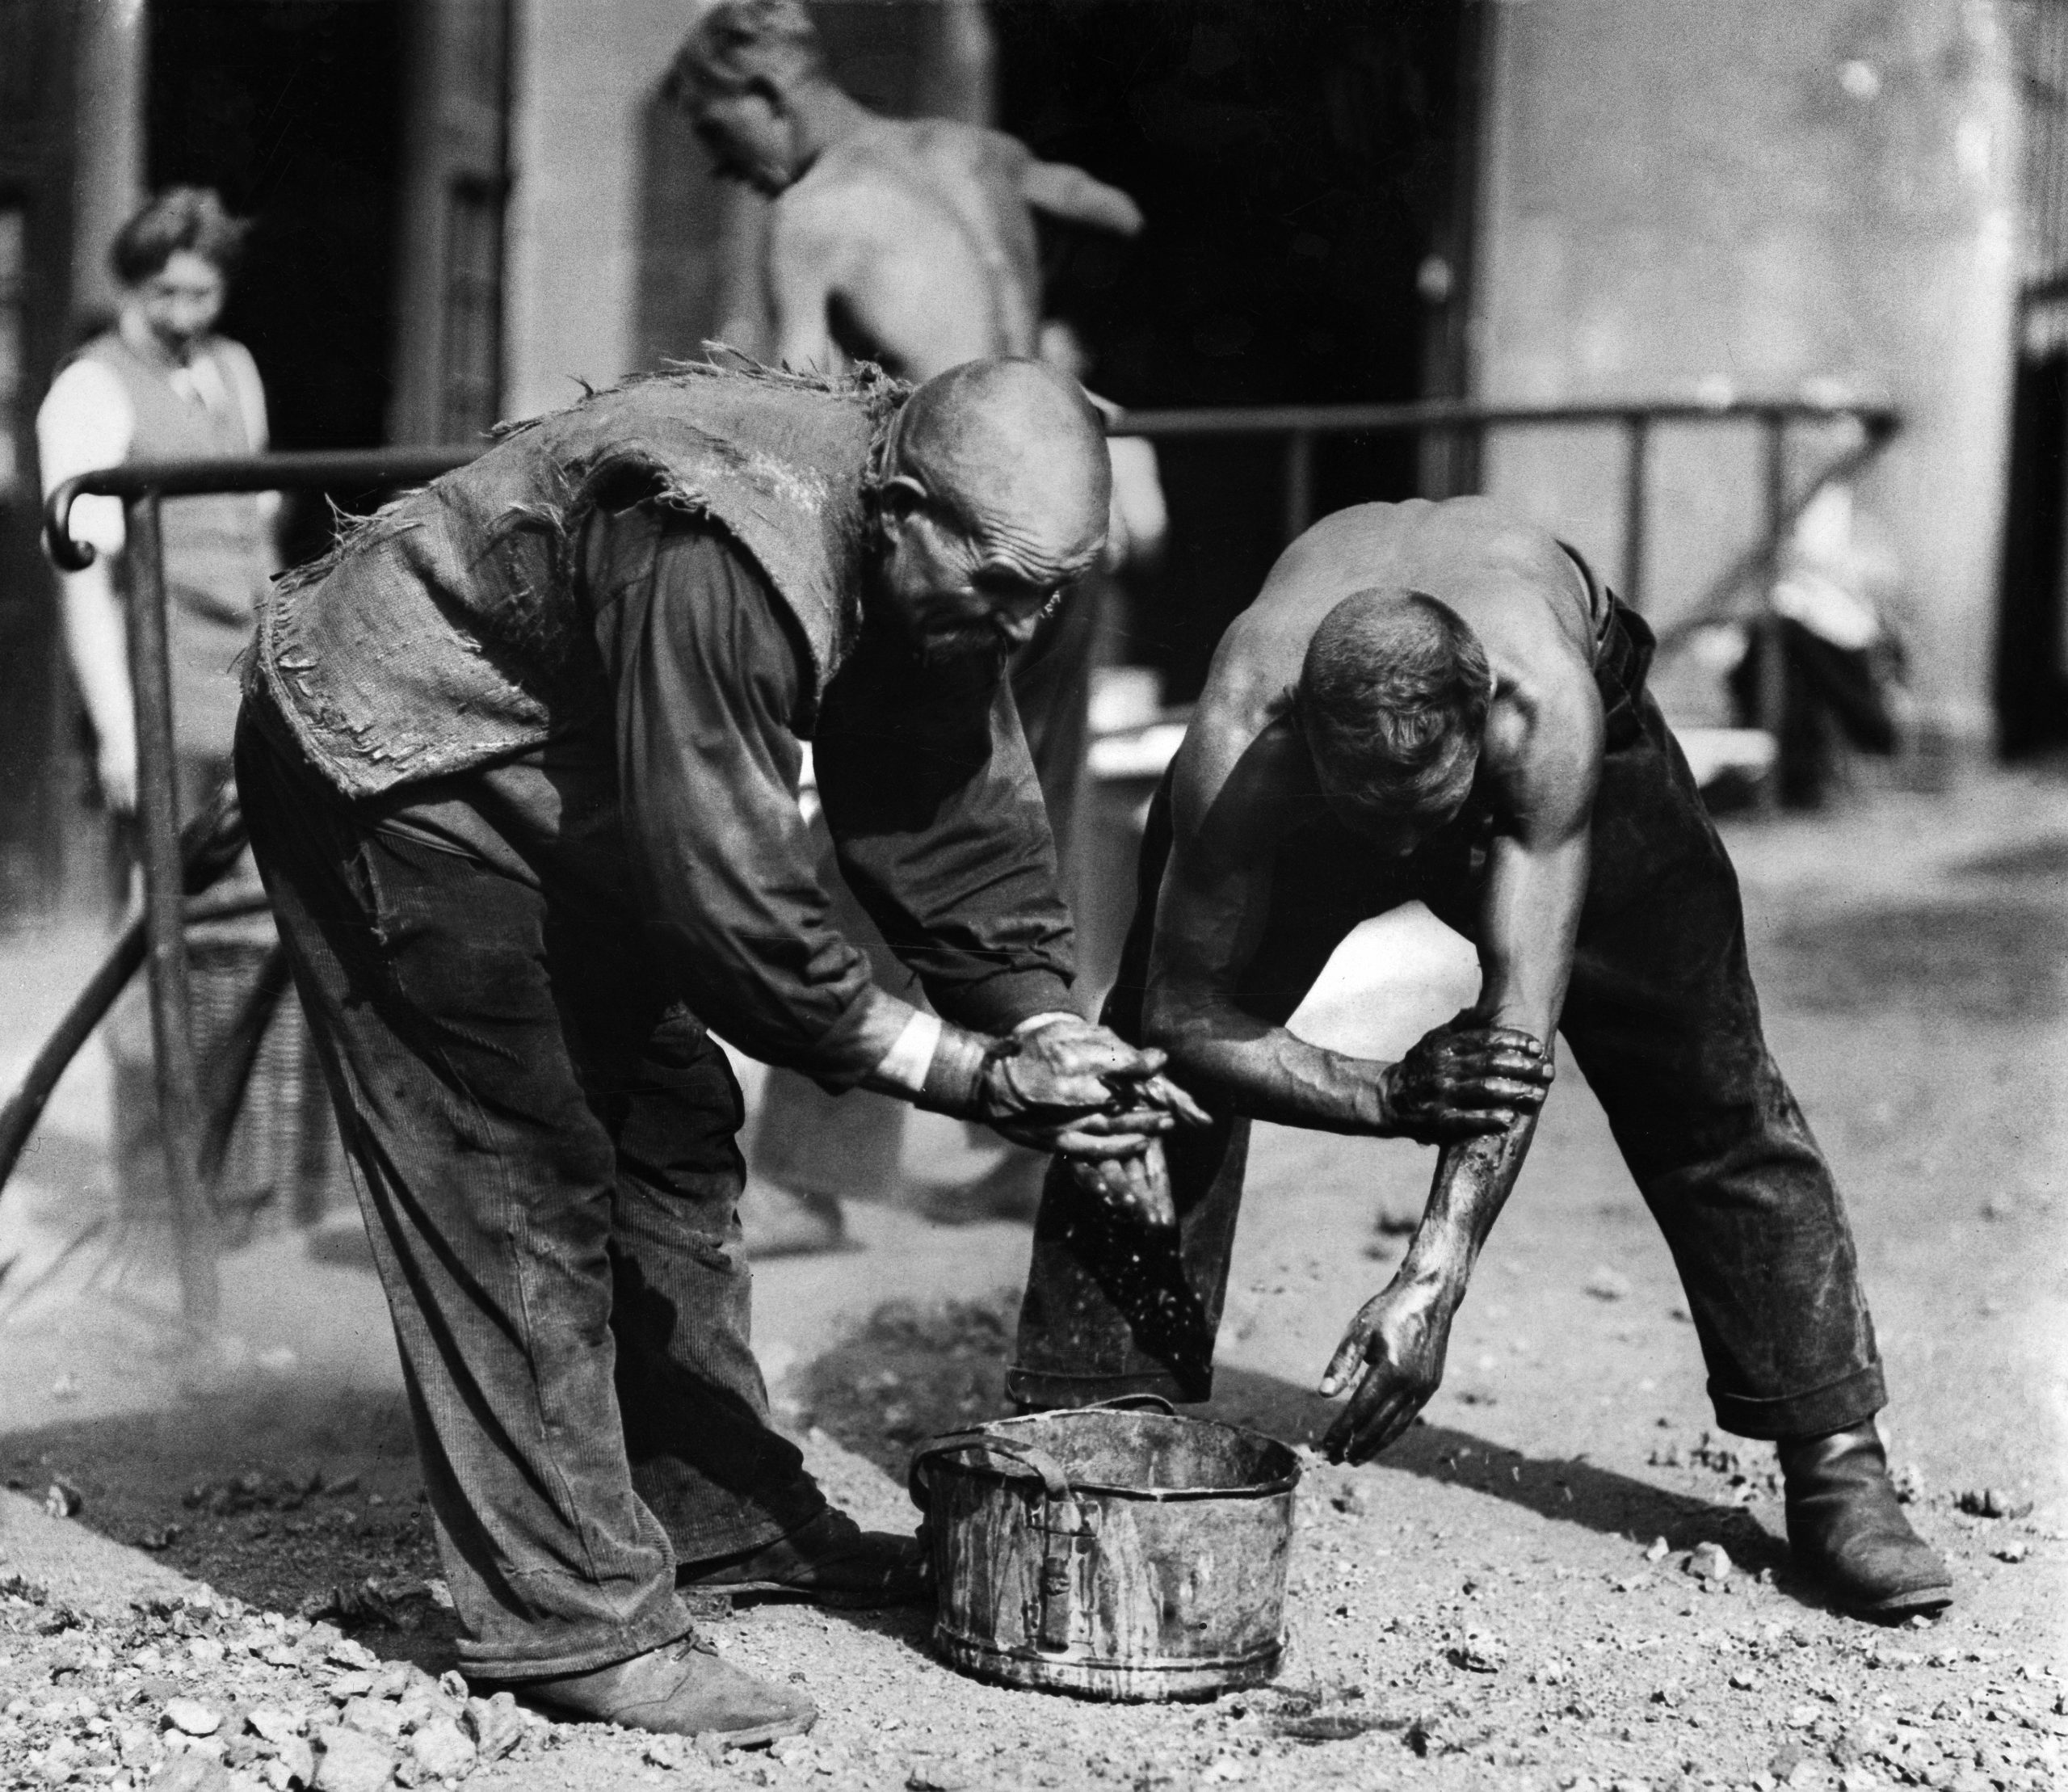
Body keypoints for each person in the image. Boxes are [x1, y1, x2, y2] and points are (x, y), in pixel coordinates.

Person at [236, 353, 1204, 1740]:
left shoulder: (944, 573)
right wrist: (970, 1075)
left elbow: (942, 806)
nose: (1031, 620)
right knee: (523, 1159)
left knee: (675, 1125)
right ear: (904, 508)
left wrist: (1041, 1016)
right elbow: (731, 906)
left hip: (559, 760)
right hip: (400, 754)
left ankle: (712, 1514)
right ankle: (567, 1617)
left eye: (1059, 585)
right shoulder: (727, 549)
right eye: (1003, 583)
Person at [1009, 495, 1953, 1621]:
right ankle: (1098, 1403)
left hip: (1556, 702)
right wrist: (1387, 1091)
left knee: (1703, 1073)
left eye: (1430, 818)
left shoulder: (1543, 715)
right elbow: (1180, 1012)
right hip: (1346, 766)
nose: (1407, 857)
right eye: (1377, 822)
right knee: (1149, 1074)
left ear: (1482, 728)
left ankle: (1837, 1457)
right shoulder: (1241, 748)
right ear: (1303, 737)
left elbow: (1519, 1025)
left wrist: (1434, 1272)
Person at [669, 0, 1145, 1249]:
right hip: (1057, 516)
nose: (730, 170)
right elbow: (1111, 210)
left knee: (890, 821)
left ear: (768, 89)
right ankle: (1038, 1122)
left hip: (965, 552)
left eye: (724, 139)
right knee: (1012, 824)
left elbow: (806, 425)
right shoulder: (968, 154)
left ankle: (807, 1175)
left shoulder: (810, 215)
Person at [36, 187, 336, 1245]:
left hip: (246, 686)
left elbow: (253, 520)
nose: (181, 311)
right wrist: (117, 727)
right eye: (163, 291)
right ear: (129, 282)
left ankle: (248, 1194)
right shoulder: (87, 393)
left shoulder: (233, 369)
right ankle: (160, 1205)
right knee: (158, 935)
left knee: (258, 934)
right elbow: (86, 583)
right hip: (159, 693)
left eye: (201, 292)